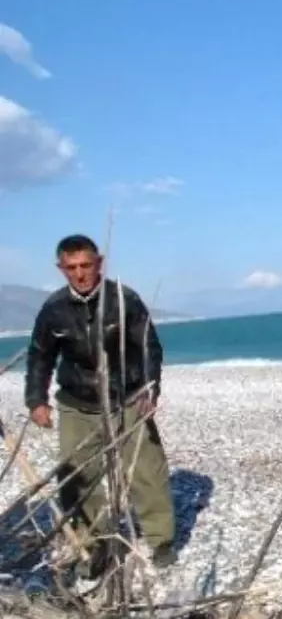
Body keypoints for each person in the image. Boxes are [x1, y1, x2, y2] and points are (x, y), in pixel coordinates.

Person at [25, 234, 177, 573]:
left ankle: (161, 541)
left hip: (127, 398)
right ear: (61, 268)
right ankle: (92, 546)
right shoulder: (53, 310)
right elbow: (39, 357)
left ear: (99, 263)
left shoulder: (124, 300)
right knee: (76, 476)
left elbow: (150, 347)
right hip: (77, 403)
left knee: (147, 473)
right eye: (72, 268)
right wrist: (36, 400)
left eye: (86, 265)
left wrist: (150, 390)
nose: (80, 274)